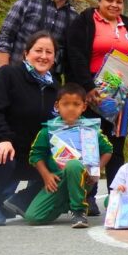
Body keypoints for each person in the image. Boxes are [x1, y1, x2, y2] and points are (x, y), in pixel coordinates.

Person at [0, 31, 61, 226]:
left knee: (68, 164)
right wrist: (3, 139)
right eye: (38, 50)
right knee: (1, 156)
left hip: (31, 155)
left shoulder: (55, 86)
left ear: (54, 58)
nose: (43, 56)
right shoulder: (8, 75)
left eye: (49, 52)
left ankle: (21, 200)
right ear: (26, 53)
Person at [62, 0, 128, 196]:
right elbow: (75, 55)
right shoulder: (85, 21)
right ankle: (88, 196)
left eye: (119, 1)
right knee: (90, 145)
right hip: (92, 93)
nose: (114, 5)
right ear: (99, 1)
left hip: (120, 95)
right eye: (109, 0)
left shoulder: (127, 24)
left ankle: (116, 195)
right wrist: (87, 87)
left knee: (115, 146)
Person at [24, 83, 113, 228]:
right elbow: (36, 155)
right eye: (65, 104)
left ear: (83, 107)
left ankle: (78, 211)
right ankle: (67, 202)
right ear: (57, 106)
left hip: (84, 179)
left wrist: (96, 171)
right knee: (33, 217)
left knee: (73, 164)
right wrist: (46, 175)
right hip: (58, 181)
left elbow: (108, 150)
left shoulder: (90, 129)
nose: (71, 108)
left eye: (76, 104)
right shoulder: (48, 130)